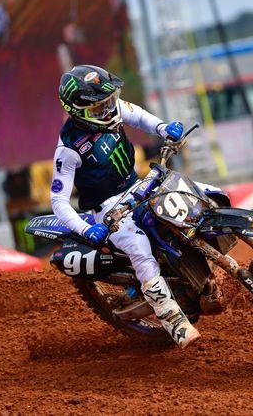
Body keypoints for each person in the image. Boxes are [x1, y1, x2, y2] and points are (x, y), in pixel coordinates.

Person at [51, 65, 200, 348]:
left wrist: (162, 127)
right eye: (99, 107)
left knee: (197, 192)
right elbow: (58, 200)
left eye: (109, 102)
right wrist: (86, 229)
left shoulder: (110, 109)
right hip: (108, 208)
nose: (108, 110)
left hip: (138, 185)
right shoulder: (68, 148)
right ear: (78, 110)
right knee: (139, 248)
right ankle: (173, 320)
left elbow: (139, 116)